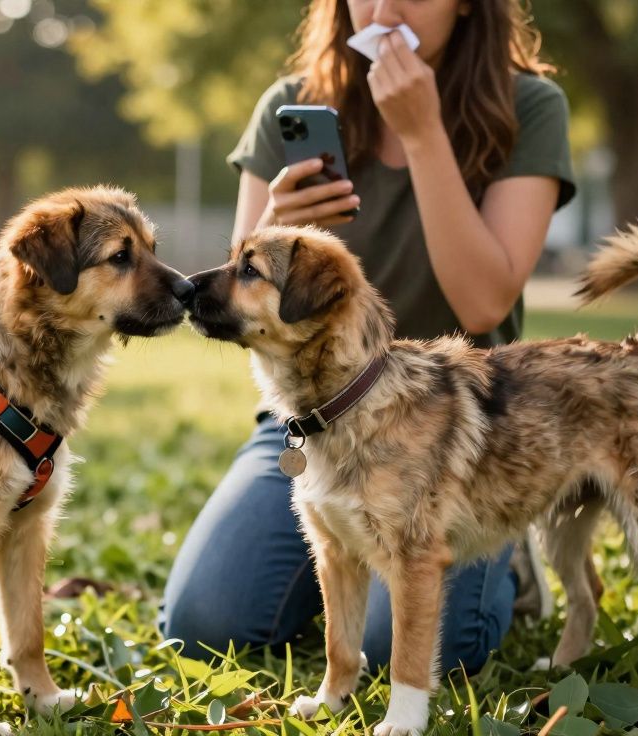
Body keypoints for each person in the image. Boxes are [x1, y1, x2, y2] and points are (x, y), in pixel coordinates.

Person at [162, 0, 576, 673]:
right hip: (312, 421)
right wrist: (274, 221)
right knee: (206, 622)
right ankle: (339, 556)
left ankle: (504, 550)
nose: (384, 9)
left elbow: (482, 303)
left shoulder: (528, 105)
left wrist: (423, 133)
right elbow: (244, 301)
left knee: (401, 648)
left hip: (454, 436)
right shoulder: (291, 106)